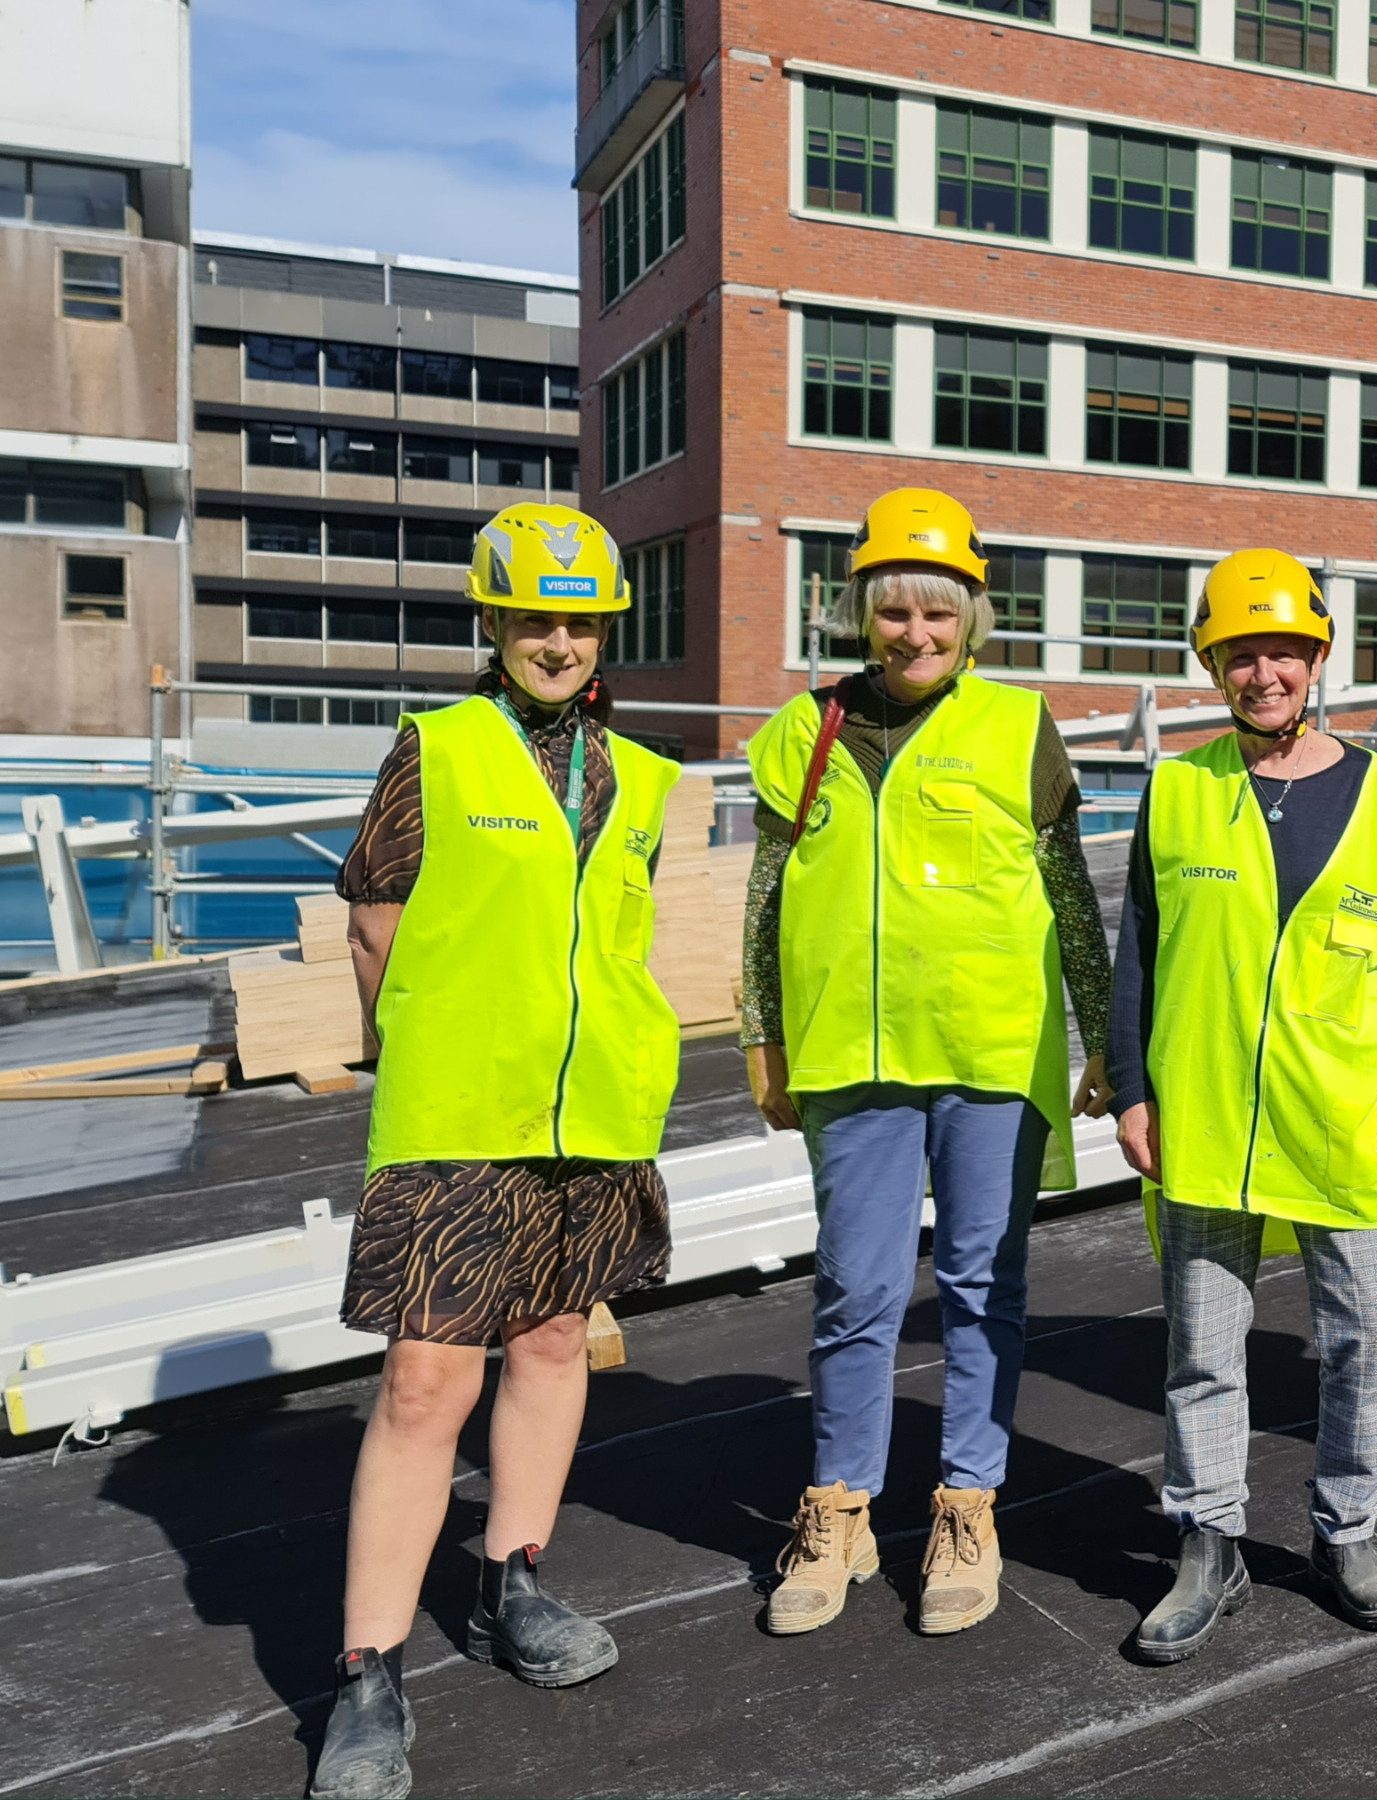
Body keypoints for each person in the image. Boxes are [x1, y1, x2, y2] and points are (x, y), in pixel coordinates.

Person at [311, 503, 682, 1800]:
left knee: (553, 1342)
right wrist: (404, 1045)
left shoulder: (636, 775)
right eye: (536, 618)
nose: (560, 641)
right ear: (495, 619)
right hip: (459, 1115)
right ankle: (368, 1674)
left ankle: (512, 1580)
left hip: (591, 1117)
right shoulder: (441, 747)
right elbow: (373, 918)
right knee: (425, 1386)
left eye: (580, 623)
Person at [739, 487, 1115, 1640]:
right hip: (851, 1061)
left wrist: (1098, 1034)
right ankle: (840, 1509)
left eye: (938, 616)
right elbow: (764, 900)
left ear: (972, 621)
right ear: (862, 611)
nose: (915, 635)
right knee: (853, 1292)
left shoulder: (1016, 727)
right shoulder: (799, 736)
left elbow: (1069, 891)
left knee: (978, 1290)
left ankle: (966, 1504)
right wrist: (763, 1035)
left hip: (988, 1055)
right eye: (895, 612)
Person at [1109, 549, 1377, 1662]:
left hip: (1342, 1111)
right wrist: (1132, 1086)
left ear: (1314, 659)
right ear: (1214, 666)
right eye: (1240, 654)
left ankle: (1345, 1534)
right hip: (1200, 1113)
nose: (1263, 673)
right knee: (1203, 1349)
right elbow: (1137, 958)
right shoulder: (1177, 791)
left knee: (1368, 1340)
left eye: (1282, 652)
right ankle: (1208, 1543)